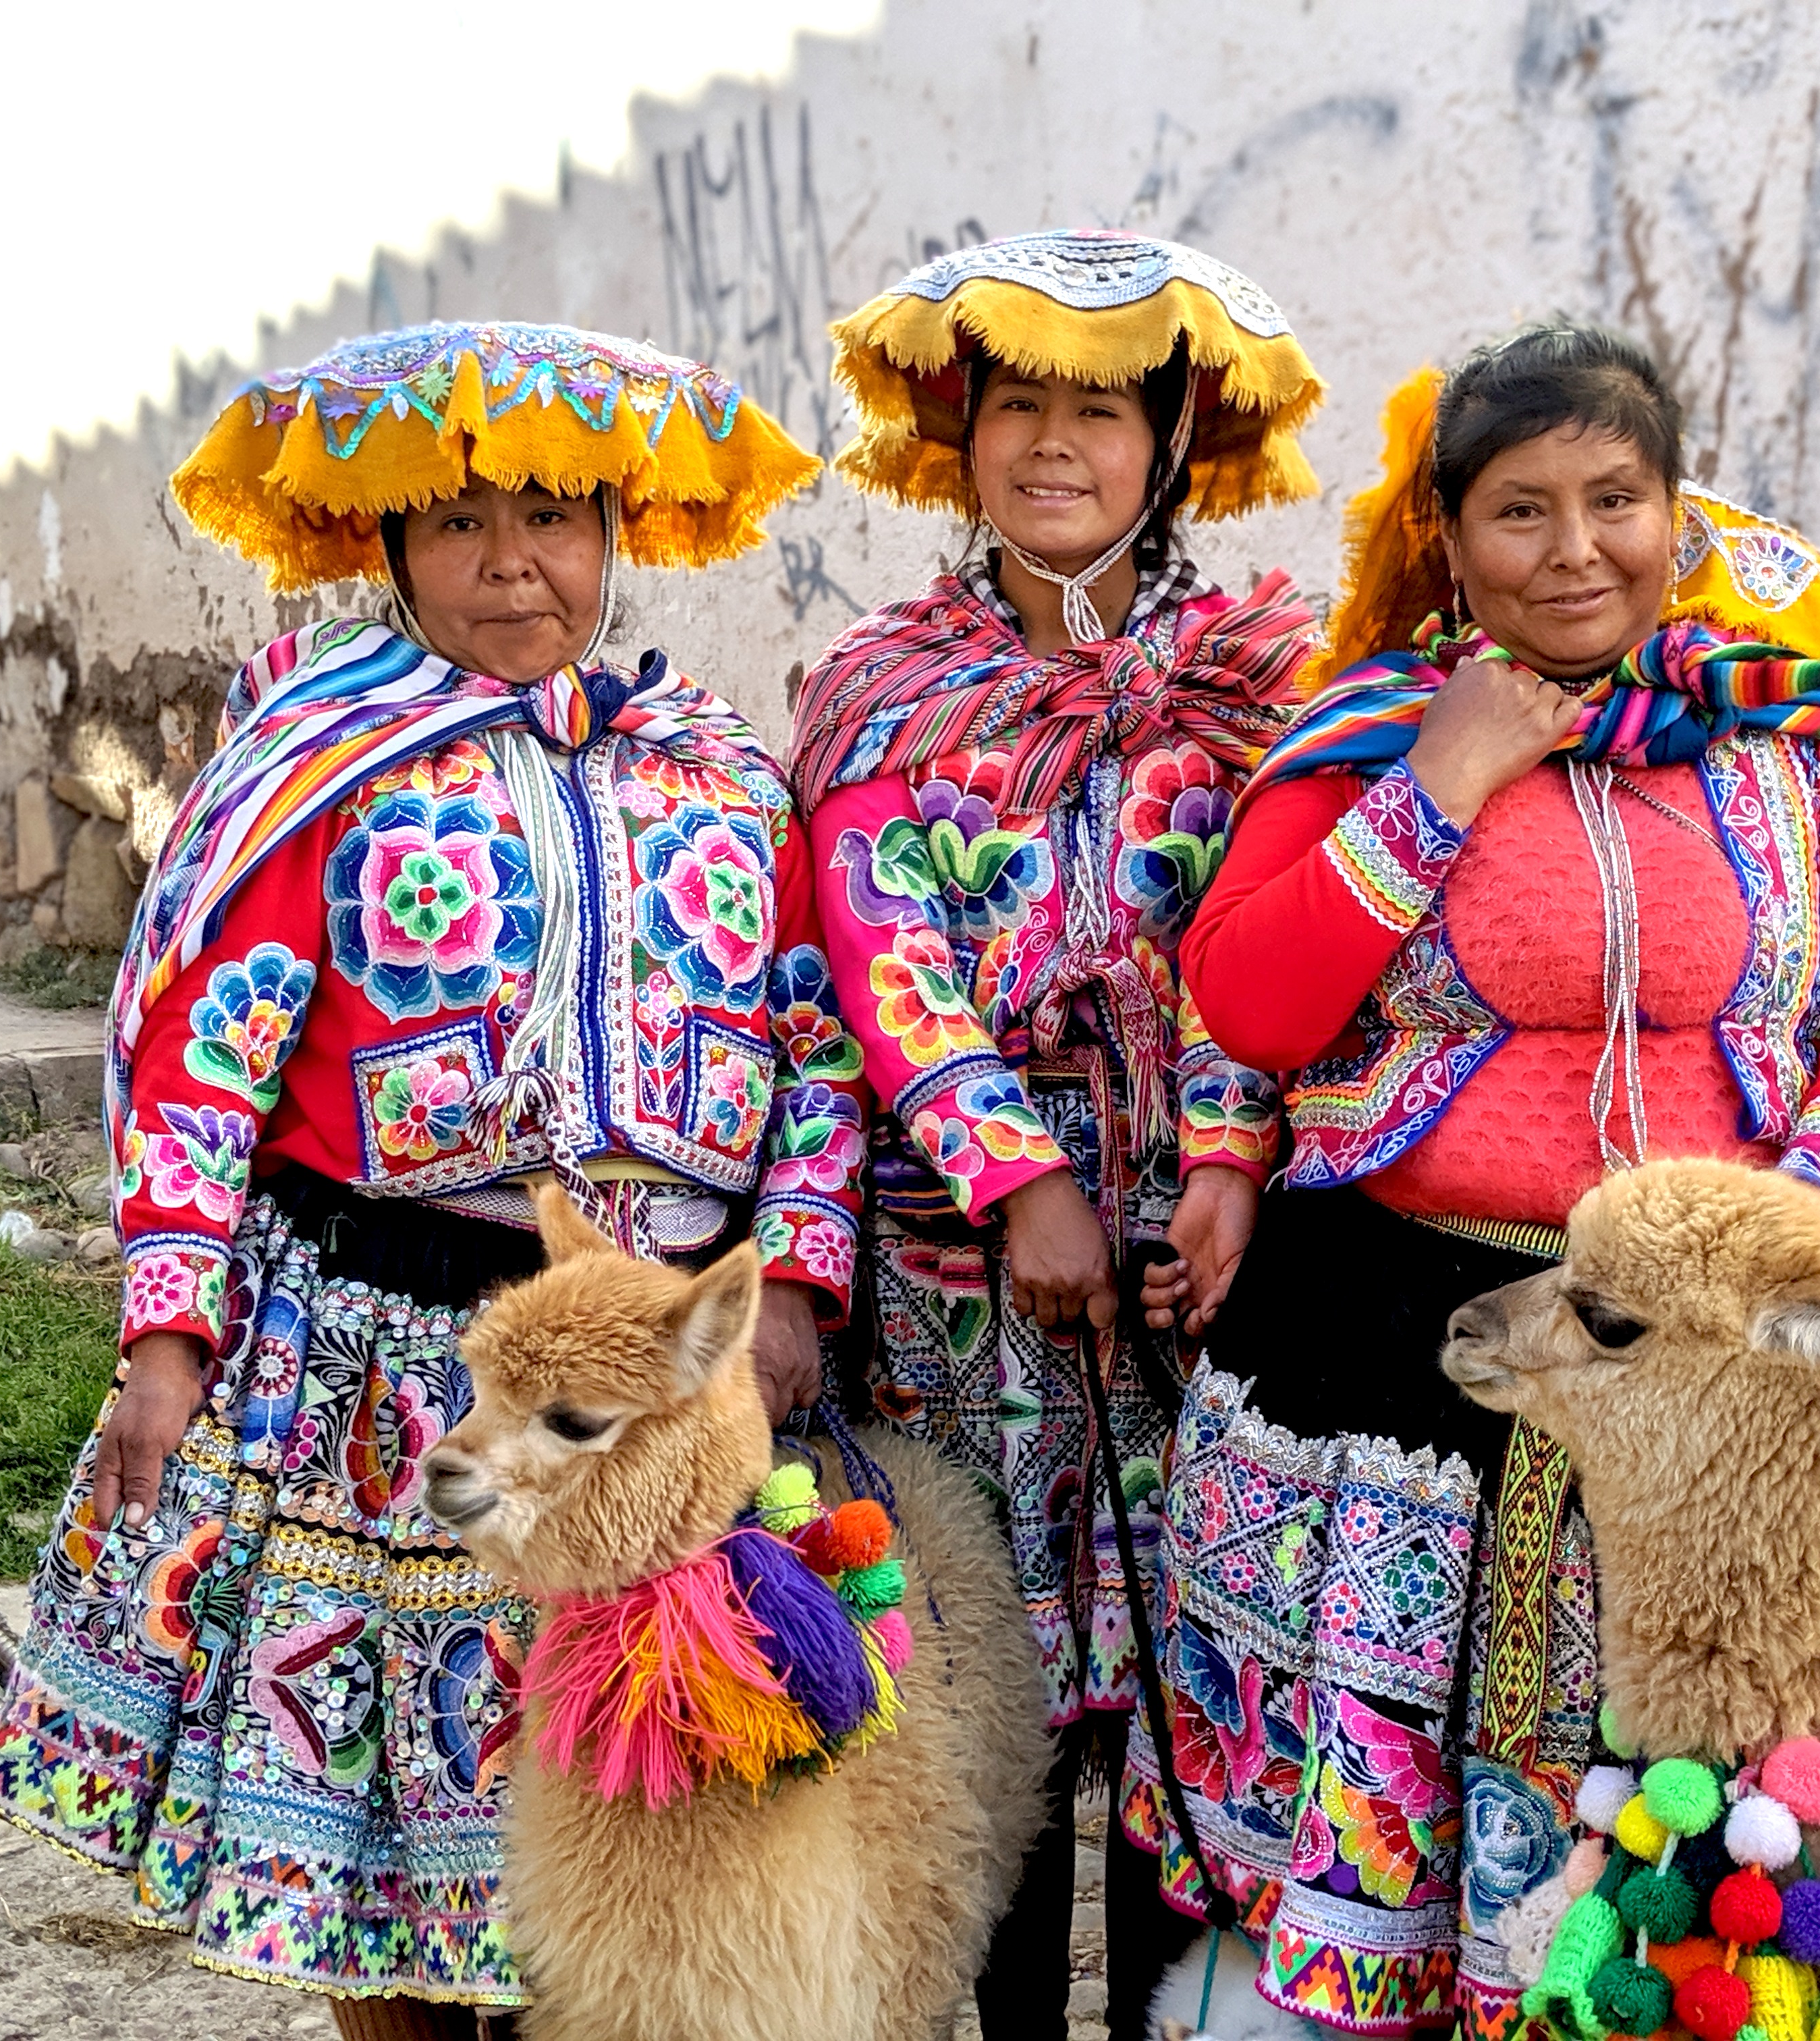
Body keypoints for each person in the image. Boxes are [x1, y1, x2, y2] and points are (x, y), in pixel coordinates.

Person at [0, 322, 863, 2038]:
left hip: (654, 1390)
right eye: (457, 522)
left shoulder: (726, 770)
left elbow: (818, 1044)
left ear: (618, 529)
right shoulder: (317, 768)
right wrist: (168, 1326)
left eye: (550, 512)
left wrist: (800, 1281)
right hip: (390, 1373)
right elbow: (203, 1060)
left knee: (642, 1840)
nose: (509, 557)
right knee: (389, 1863)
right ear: (389, 547)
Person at [1122, 323, 1820, 2036]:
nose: (1576, 550)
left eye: (1616, 500)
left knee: (1711, 1838)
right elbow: (1256, 998)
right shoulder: (1368, 736)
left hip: (1717, 1346)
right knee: (1372, 1850)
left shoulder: (1791, 740)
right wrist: (1446, 779)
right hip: (1394, 1348)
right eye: (1523, 511)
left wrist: (1788, 1229)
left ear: (1679, 513)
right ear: (1449, 536)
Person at [790, 229, 1322, 2041]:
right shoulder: (880, 687)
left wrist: (1227, 1165)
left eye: (1099, 409)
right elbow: (882, 948)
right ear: (960, 433)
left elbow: (1289, 947)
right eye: (1019, 405)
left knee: (1199, 1712)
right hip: (960, 1285)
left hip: (1207, 1272)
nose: (1053, 447)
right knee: (992, 1697)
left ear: (1172, 443)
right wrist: (1016, 1181)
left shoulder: (1273, 684)